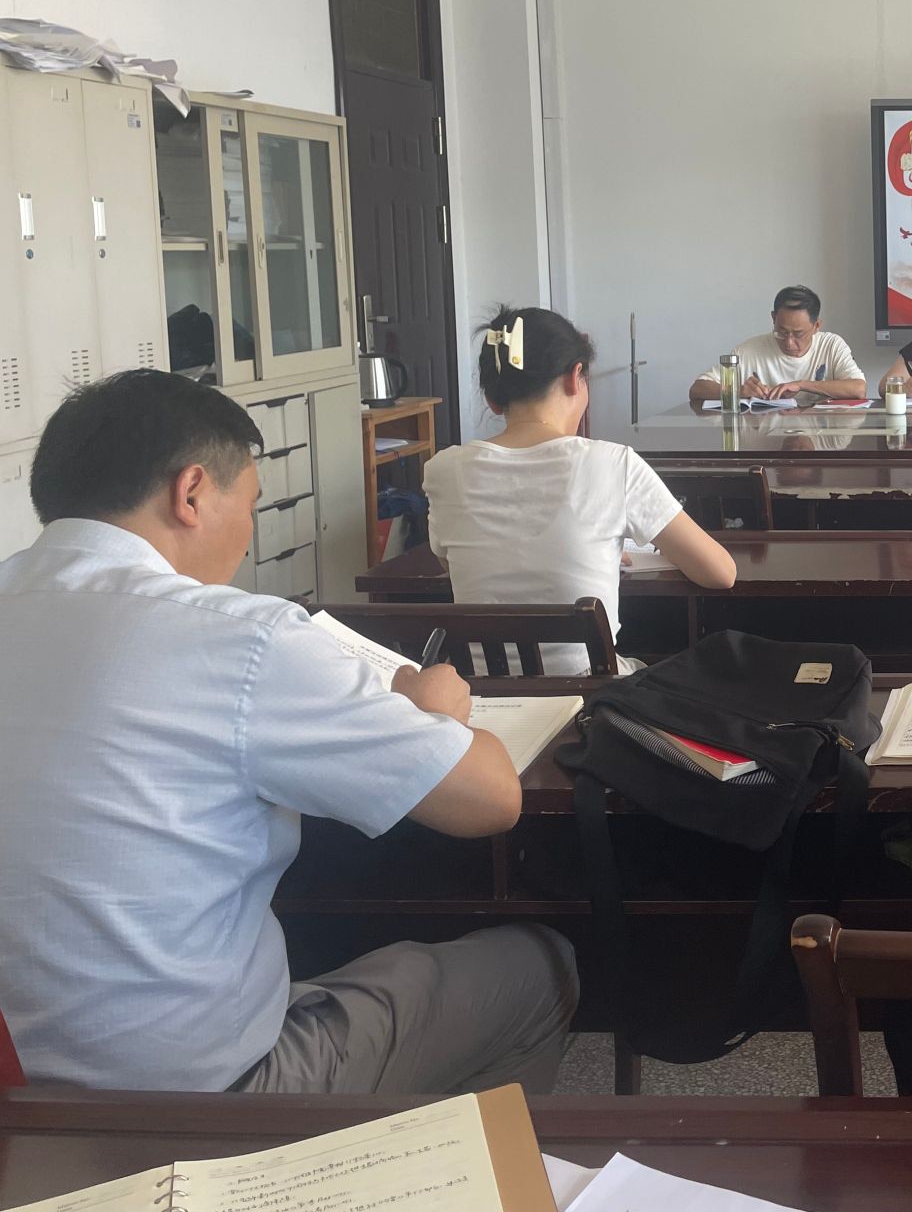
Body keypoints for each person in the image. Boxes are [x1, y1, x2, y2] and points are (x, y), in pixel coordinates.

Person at [0, 370, 578, 1094]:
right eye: (249, 506)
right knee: (537, 968)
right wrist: (433, 713)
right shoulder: (238, 637)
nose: (247, 539)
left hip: (20, 1097)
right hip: (191, 1101)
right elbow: (489, 800)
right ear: (191, 493)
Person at [427, 308, 736, 673]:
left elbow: (454, 562)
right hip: (589, 694)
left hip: (478, 693)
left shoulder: (443, 470)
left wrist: (589, 549)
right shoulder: (614, 463)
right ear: (576, 378)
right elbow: (720, 572)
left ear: (493, 399)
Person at [687, 285, 867, 403]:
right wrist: (739, 391)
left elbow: (859, 389)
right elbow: (697, 389)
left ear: (816, 326)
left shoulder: (831, 345)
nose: (789, 342)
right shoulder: (748, 351)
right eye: (781, 332)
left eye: (798, 334)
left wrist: (802, 385)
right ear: (773, 319)